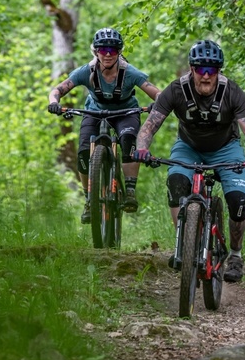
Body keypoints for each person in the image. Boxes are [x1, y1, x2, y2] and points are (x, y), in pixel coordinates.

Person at [132, 39, 245, 282]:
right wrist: (142, 149)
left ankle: (235, 255)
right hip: (188, 148)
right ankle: (183, 244)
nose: (206, 76)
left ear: (218, 71)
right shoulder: (176, 90)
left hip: (226, 149)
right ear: (191, 69)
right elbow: (149, 127)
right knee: (176, 183)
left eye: (212, 70)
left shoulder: (232, 92)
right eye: (201, 69)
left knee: (237, 201)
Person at [46, 27, 162, 223]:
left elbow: (159, 95)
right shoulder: (86, 71)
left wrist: (156, 105)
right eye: (102, 50)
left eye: (113, 50)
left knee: (128, 141)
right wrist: (54, 103)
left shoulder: (130, 72)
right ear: (95, 51)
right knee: (83, 153)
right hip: (94, 112)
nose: (108, 55)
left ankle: (130, 191)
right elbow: (57, 90)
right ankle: (90, 200)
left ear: (119, 52)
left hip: (125, 113)